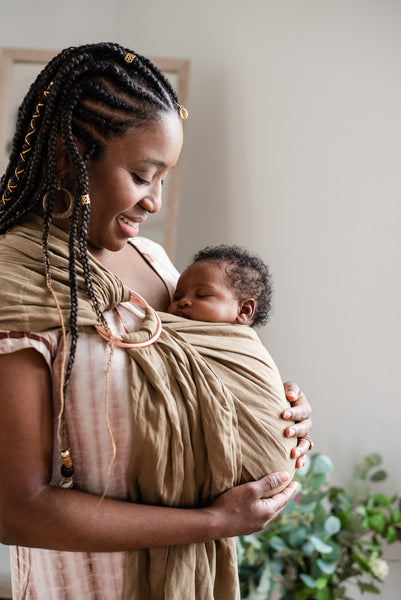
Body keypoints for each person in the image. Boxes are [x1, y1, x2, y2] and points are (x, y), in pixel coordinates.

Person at [0, 43, 312, 599]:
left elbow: (199, 368)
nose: (154, 202)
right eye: (143, 176)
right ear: (71, 156)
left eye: (164, 178)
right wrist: (215, 523)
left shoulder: (153, 262)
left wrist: (274, 410)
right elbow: (18, 509)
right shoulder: (17, 284)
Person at [167, 244, 274, 326]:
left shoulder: (243, 349)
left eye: (202, 295)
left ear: (243, 310)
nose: (183, 301)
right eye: (177, 297)